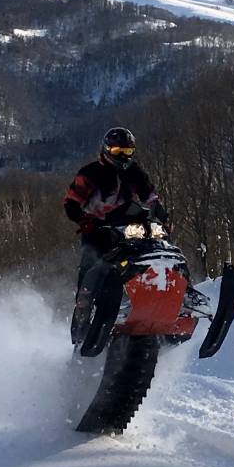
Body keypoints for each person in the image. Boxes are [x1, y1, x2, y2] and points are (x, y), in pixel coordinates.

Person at [64, 127, 169, 344]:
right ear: (106, 149)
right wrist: (83, 220)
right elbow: (71, 202)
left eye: (127, 152)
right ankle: (82, 326)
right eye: (117, 150)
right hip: (97, 230)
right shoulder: (90, 173)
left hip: (128, 227)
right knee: (90, 272)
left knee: (157, 247)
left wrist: (158, 208)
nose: (122, 156)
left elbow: (148, 192)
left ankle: (172, 295)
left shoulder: (133, 172)